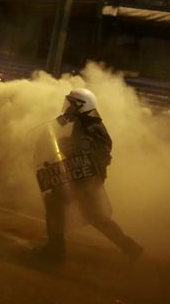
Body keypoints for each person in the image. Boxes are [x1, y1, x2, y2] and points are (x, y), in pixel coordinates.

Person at [33, 88, 143, 263]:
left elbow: (97, 153)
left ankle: (56, 253)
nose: (68, 108)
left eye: (72, 105)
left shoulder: (92, 127)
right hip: (81, 179)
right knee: (94, 217)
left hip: (86, 181)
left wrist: (70, 147)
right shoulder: (82, 123)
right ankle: (131, 248)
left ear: (82, 106)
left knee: (61, 207)